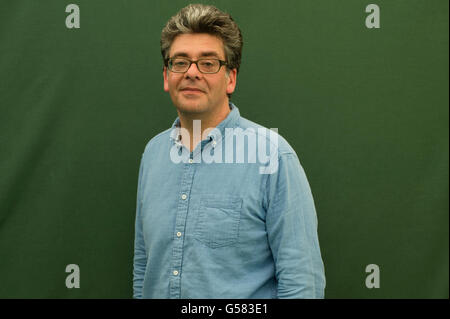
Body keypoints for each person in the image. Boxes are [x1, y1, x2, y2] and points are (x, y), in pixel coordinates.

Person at [133, 3, 325, 299]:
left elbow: (303, 282)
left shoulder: (272, 157)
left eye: (208, 63)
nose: (192, 73)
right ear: (166, 76)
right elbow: (144, 267)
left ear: (230, 78)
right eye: (180, 62)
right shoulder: (153, 154)